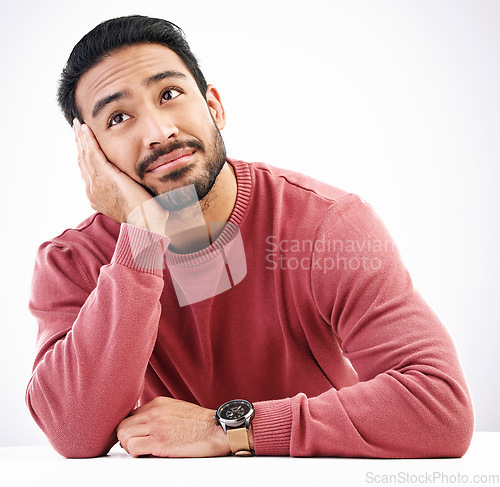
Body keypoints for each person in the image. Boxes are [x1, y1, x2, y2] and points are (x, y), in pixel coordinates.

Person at [26, 15, 474, 459]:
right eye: (119, 117)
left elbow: (440, 407)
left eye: (169, 94)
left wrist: (227, 428)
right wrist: (142, 236)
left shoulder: (324, 226)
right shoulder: (73, 261)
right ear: (91, 153)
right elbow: (74, 432)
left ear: (214, 107)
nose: (158, 133)